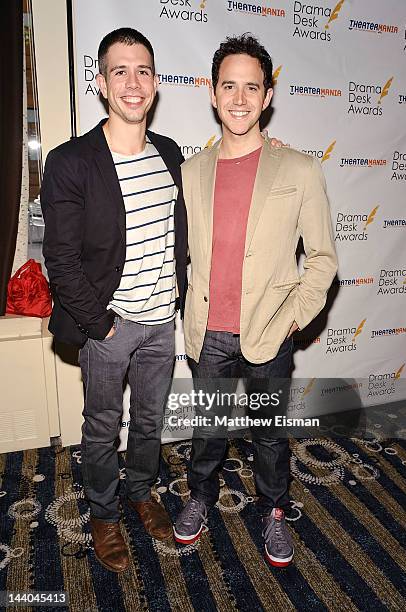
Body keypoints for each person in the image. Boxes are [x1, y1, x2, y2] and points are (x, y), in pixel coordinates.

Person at [174, 34, 338, 567]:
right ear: (212, 92)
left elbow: (322, 259)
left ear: (267, 95)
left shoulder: (299, 168)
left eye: (252, 87)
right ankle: (200, 495)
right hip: (209, 330)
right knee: (209, 430)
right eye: (229, 86)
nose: (240, 98)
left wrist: (293, 318)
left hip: (270, 329)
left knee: (270, 436)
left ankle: (272, 509)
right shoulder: (192, 171)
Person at [41, 28, 188, 572]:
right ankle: (104, 514)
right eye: (120, 71)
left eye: (143, 70)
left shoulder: (170, 154)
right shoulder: (72, 161)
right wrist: (100, 326)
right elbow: (62, 259)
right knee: (102, 426)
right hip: (110, 325)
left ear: (155, 83)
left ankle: (142, 492)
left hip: (161, 324)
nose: (133, 82)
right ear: (101, 84)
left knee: (149, 422)